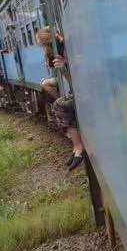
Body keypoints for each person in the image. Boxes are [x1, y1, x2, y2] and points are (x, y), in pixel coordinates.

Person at [36, 26, 85, 170]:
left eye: (44, 46)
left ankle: (78, 147)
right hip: (79, 88)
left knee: (60, 105)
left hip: (84, 88)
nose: (44, 50)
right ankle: (76, 147)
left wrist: (63, 67)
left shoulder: (66, 51)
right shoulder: (64, 49)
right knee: (59, 102)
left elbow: (74, 80)